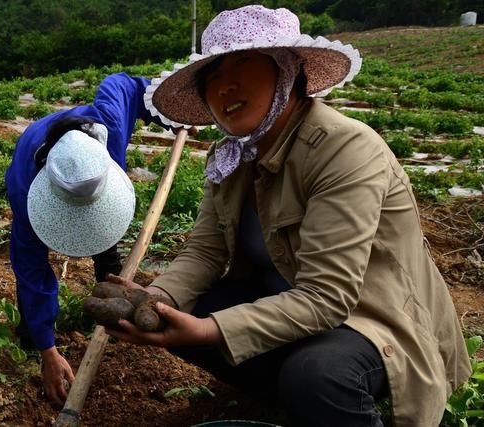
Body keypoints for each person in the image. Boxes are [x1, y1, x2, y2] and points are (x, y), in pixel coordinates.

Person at [104, 6, 471, 426]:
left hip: (372, 320)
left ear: (287, 71)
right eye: (213, 76)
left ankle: (322, 400)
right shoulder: (233, 156)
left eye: (242, 63)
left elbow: (328, 296)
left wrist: (210, 331)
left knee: (316, 377)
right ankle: (289, 403)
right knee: (188, 308)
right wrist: (160, 299)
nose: (225, 86)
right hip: (292, 306)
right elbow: (204, 251)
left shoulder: (343, 149)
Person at [4, 73, 167, 404]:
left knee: (106, 249)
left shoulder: (109, 125)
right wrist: (48, 351)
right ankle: (32, 334)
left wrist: (165, 113)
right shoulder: (25, 192)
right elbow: (31, 272)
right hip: (34, 158)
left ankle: (113, 304)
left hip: (91, 167)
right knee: (30, 272)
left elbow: (128, 85)